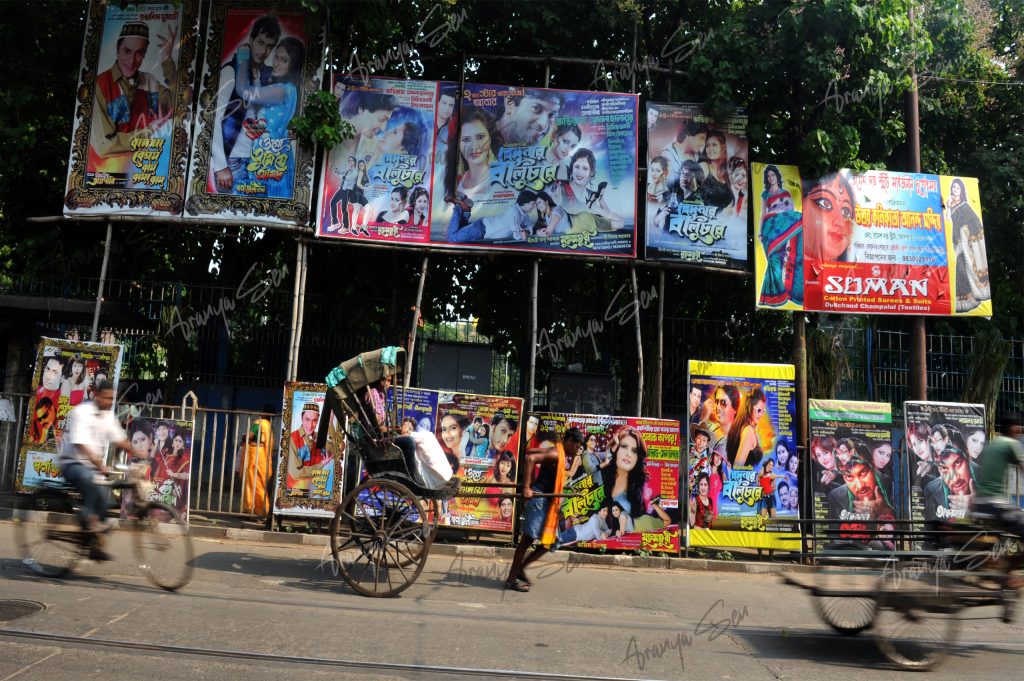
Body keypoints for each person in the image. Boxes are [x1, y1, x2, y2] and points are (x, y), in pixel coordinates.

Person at [57, 380, 139, 560]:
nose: (109, 402)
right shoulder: (81, 412)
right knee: (89, 480)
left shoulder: (108, 417)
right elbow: (80, 443)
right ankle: (89, 521)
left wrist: (139, 453)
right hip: (72, 464)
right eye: (106, 398)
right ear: (97, 395)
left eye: (112, 398)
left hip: (94, 468)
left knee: (104, 497)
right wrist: (98, 463)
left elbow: (120, 439)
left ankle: (94, 544)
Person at [89, 20, 178, 170]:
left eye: (139, 53)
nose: (131, 61)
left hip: (145, 172)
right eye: (127, 51)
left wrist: (167, 60)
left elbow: (179, 105)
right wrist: (149, 131)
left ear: (144, 54)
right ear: (118, 50)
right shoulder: (100, 86)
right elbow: (105, 145)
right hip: (105, 174)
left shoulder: (149, 81)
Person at [503, 427, 582, 592]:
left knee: (549, 542)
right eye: (576, 446)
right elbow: (531, 458)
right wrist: (526, 487)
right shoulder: (555, 454)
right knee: (526, 540)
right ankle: (511, 579)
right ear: (569, 441)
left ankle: (521, 568)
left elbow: (532, 450)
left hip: (547, 500)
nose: (577, 451)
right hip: (539, 498)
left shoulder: (556, 452)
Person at [211, 16, 280, 192]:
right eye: (260, 42)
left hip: (260, 162)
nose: (263, 50)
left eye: (269, 46)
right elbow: (212, 118)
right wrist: (220, 165)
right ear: (251, 40)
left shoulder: (268, 76)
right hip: (232, 162)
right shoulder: (231, 71)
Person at [233, 36, 305, 198]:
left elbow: (243, 90)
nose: (277, 63)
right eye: (277, 58)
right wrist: (258, 80)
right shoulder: (291, 89)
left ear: (293, 65)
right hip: (276, 158)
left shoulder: (281, 90)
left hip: (268, 160)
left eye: (284, 60)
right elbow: (266, 115)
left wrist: (243, 57)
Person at [971, 412, 1024, 568]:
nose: (1019, 433)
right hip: (995, 503)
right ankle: (1008, 575)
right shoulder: (1009, 443)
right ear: (1013, 428)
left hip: (979, 503)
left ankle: (1000, 564)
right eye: (1019, 429)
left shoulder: (990, 444)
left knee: (1007, 532)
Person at [598, 425, 670, 531]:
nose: (628, 454)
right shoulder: (601, 475)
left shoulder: (637, 488)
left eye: (634, 451)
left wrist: (654, 505)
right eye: (624, 446)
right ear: (616, 448)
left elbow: (667, 521)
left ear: (637, 458)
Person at [945, 178, 991, 313]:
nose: (955, 190)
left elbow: (975, 221)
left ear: (962, 191)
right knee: (960, 267)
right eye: (953, 188)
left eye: (958, 188)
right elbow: (948, 220)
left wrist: (964, 231)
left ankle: (979, 293)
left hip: (965, 240)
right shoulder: (951, 204)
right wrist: (948, 206)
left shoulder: (965, 205)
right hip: (956, 241)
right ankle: (967, 300)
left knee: (967, 266)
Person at [827, 449, 894, 521]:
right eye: (849, 477)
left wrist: (882, 510)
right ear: (843, 478)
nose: (860, 486)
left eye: (863, 472)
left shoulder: (888, 483)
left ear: (873, 467)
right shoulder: (836, 497)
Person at [803, 171, 856, 263]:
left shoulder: (851, 275)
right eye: (825, 203)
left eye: (845, 212)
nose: (840, 222)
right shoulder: (778, 272)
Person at [446, 190, 536, 243]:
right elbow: (517, 235)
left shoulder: (525, 215)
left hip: (483, 227)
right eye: (533, 204)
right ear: (524, 203)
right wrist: (526, 234)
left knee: (461, 228)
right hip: (481, 230)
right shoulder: (513, 212)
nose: (534, 206)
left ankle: (465, 207)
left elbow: (529, 227)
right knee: (452, 238)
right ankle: (458, 206)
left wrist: (527, 231)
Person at [454, 107, 501, 195]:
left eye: (480, 137)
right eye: (466, 140)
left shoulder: (502, 180)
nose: (474, 146)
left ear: (490, 138)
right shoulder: (456, 182)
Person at [924, 444, 976, 520]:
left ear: (968, 459)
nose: (955, 479)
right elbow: (931, 528)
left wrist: (977, 506)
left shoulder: (985, 480)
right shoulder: (932, 491)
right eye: (944, 468)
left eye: (958, 463)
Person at [238, 406, 274, 515]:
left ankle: (260, 511)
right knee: (259, 485)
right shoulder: (270, 426)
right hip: (263, 458)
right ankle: (256, 510)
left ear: (263, 413)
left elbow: (250, 435)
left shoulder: (260, 423)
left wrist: (245, 438)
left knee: (254, 485)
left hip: (255, 456)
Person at [286, 401, 328, 494]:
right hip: (295, 491)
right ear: (301, 418)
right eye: (307, 419)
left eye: (314, 420)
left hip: (317, 490)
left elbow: (333, 450)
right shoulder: (293, 438)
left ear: (318, 420)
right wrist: (320, 465)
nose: (310, 425)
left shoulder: (320, 438)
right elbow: (296, 473)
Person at [495, 89, 563, 145]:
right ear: (510, 103)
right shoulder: (486, 136)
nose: (543, 125)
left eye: (552, 115)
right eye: (536, 108)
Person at [660, 119, 708, 188]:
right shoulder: (668, 155)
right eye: (701, 138)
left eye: (704, 140)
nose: (703, 144)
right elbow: (667, 186)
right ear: (689, 135)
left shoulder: (698, 155)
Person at [726, 387, 767, 467]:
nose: (761, 414)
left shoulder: (740, 427)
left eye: (763, 411)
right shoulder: (748, 431)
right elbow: (737, 469)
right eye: (759, 410)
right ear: (749, 407)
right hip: (743, 479)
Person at [697, 130, 733, 209]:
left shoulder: (727, 173)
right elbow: (690, 195)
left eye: (714, 145)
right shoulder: (704, 167)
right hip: (702, 219)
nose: (710, 149)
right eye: (707, 145)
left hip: (724, 220)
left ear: (722, 147)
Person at [327, 156, 359, 233]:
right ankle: (335, 223)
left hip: (348, 191)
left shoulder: (355, 171)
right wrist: (336, 171)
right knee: (333, 202)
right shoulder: (348, 169)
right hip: (342, 189)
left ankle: (346, 227)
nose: (350, 162)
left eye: (351, 160)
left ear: (355, 162)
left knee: (343, 208)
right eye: (349, 160)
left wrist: (340, 175)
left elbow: (348, 178)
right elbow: (341, 173)